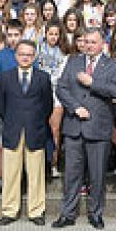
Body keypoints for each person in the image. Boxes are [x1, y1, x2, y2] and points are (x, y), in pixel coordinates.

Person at [53, 28, 116, 230]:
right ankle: (67, 214)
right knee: (71, 175)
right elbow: (61, 88)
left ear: (103, 44)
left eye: (93, 42)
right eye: (86, 42)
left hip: (98, 128)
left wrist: (93, 83)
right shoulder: (73, 61)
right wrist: (75, 107)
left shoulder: (113, 65)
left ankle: (96, 214)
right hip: (74, 127)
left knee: (97, 176)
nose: (89, 45)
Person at [0, 40, 53, 226]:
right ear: (16, 56)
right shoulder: (6, 77)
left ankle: (36, 211)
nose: (25, 58)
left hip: (35, 131)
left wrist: (36, 121)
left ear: (34, 57)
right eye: (22, 54)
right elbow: (1, 105)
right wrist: (12, 120)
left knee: (36, 174)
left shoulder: (43, 78)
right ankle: (9, 211)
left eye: (29, 54)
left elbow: (48, 106)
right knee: (10, 174)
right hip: (12, 130)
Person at [0, 20, 24, 195]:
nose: (13, 39)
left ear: (22, 35)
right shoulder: (2, 55)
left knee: (18, 145)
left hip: (21, 106)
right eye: (10, 35)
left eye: (16, 35)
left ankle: (16, 180)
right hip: (1, 104)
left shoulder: (27, 53)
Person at [37, 20, 70, 177]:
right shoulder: (38, 48)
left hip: (57, 92)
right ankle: (39, 164)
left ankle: (54, 164)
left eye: (56, 34)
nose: (53, 37)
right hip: (40, 91)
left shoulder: (64, 52)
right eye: (51, 34)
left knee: (55, 129)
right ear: (45, 34)